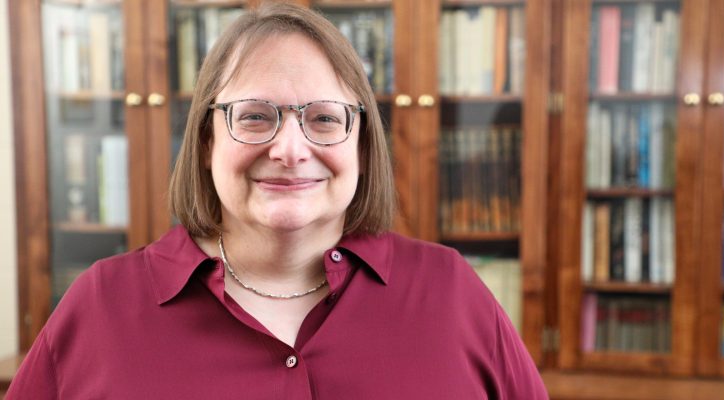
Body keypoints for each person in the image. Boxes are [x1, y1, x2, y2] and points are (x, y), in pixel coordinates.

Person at [7, 3, 548, 399]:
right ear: (205, 143)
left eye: (324, 119)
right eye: (255, 116)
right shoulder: (99, 306)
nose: (290, 150)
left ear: (361, 145)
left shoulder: (452, 292)